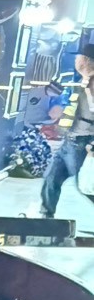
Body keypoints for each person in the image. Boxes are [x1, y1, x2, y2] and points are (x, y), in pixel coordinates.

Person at [39, 53, 94, 217]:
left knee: (85, 185)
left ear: (86, 61)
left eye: (78, 58)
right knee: (52, 178)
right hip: (70, 140)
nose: (76, 61)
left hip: (82, 142)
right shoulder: (80, 80)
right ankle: (46, 216)